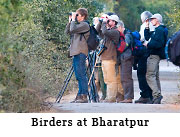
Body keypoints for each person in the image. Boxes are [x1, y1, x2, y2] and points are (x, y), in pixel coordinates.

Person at [96, 14, 124, 102]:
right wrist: (100, 23)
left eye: (110, 20)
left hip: (110, 58)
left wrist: (104, 22)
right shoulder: (108, 31)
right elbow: (98, 32)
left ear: (114, 22)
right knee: (107, 79)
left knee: (111, 79)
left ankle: (111, 98)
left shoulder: (115, 32)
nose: (108, 21)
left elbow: (104, 32)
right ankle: (109, 96)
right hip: (104, 57)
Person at [65, 8, 90, 103]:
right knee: (78, 75)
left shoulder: (84, 25)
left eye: (77, 15)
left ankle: (84, 96)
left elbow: (73, 29)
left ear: (83, 16)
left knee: (81, 74)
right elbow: (67, 31)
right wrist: (70, 21)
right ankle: (80, 95)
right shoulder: (77, 25)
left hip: (80, 52)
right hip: (76, 52)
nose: (76, 17)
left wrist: (73, 21)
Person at [144, 13, 168, 104]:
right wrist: (147, 27)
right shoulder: (156, 30)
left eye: (152, 19)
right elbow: (147, 37)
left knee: (150, 75)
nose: (151, 21)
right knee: (155, 76)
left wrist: (148, 45)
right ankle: (157, 96)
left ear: (157, 20)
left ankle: (157, 95)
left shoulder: (160, 30)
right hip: (154, 55)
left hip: (154, 55)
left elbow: (159, 44)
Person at [134, 11, 154, 104]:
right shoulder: (154, 24)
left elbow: (142, 38)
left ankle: (145, 95)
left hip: (145, 50)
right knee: (149, 74)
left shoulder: (145, 25)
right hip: (151, 51)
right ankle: (151, 95)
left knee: (141, 73)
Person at [116, 20, 134, 103]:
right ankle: (125, 97)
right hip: (124, 58)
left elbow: (124, 46)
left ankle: (128, 98)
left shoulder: (127, 35)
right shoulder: (124, 34)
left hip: (127, 58)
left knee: (126, 78)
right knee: (124, 78)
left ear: (120, 27)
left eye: (116, 28)